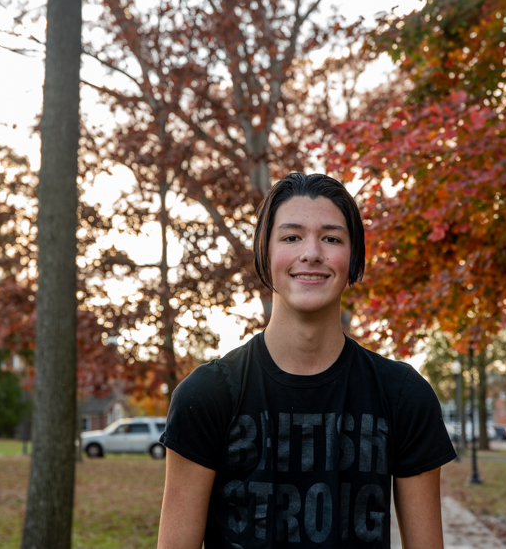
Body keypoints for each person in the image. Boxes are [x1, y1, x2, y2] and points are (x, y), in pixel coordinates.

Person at [158, 173, 456, 548]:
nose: (312, 253)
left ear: (354, 258)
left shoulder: (403, 395)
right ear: (265, 254)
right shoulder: (206, 395)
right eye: (291, 237)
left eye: (331, 238)